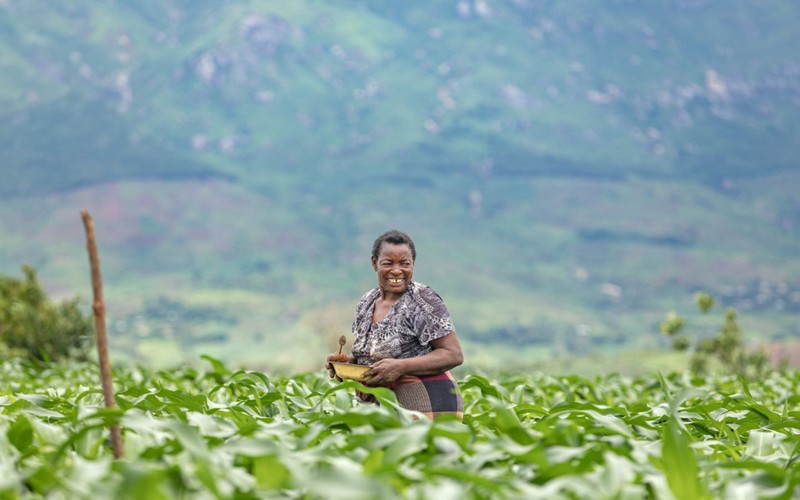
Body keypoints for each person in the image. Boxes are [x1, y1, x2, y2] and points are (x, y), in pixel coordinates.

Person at [326, 229, 464, 419]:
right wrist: (347, 364)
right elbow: (375, 359)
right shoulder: (367, 302)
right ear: (374, 263)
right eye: (388, 263)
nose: (397, 270)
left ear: (413, 264)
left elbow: (453, 354)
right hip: (383, 404)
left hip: (425, 401)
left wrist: (401, 367)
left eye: (404, 263)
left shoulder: (423, 300)